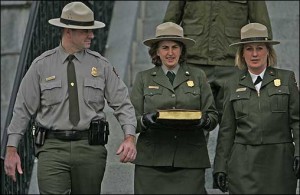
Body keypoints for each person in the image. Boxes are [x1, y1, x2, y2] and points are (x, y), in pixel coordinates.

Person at [4, 2, 137, 194]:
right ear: (68, 31)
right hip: (52, 149)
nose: (91, 35)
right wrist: (11, 149)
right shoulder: (41, 66)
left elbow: (123, 104)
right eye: (86, 31)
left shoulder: (101, 66)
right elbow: (22, 109)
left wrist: (129, 137)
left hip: (90, 149)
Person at [130, 22, 218, 194]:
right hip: (152, 161)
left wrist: (203, 120)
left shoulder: (198, 76)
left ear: (182, 50)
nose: (170, 53)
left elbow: (213, 116)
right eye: (164, 48)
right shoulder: (143, 78)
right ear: (156, 51)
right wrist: (146, 121)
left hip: (190, 160)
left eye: (175, 47)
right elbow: (131, 119)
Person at [213, 23, 299, 194]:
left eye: (259, 48)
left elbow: (297, 121)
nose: (254, 54)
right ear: (242, 54)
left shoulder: (286, 79)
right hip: (243, 165)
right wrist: (220, 166)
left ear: (268, 51)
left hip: (279, 162)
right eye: (249, 49)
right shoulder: (231, 84)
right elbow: (227, 131)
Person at [163, 1, 273, 126]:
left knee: (233, 124)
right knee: (192, 123)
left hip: (233, 64)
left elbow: (261, 27)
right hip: (193, 63)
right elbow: (169, 25)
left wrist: (262, 66)